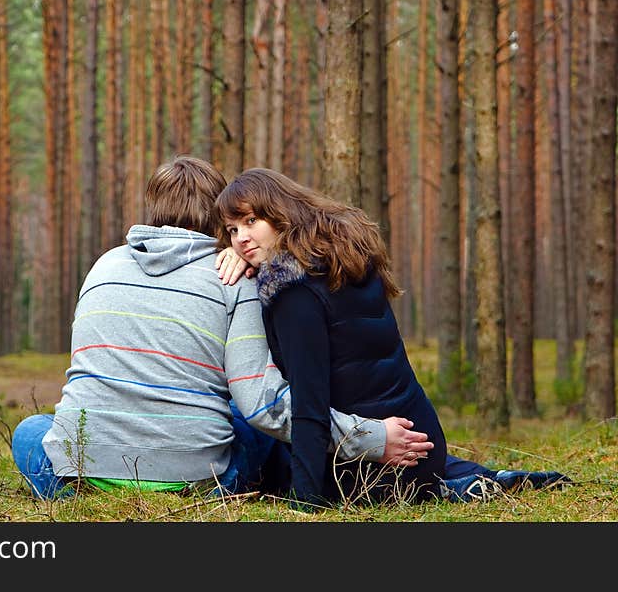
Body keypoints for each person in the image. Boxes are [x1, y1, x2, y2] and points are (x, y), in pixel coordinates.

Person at [10, 157, 435, 500]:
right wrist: (372, 436)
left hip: (82, 469)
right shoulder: (234, 280)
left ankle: (77, 491)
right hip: (201, 483)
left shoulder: (104, 265)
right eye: (233, 228)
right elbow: (263, 406)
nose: (240, 237)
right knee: (240, 417)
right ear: (218, 216)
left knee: (31, 431)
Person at [215, 168, 570, 508]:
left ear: (281, 212)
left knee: (258, 440)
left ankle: (450, 488)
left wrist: (304, 501)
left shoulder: (294, 293)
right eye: (231, 230)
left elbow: (310, 406)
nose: (241, 238)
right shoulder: (344, 257)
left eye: (251, 221)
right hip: (423, 441)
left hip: (373, 468)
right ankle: (478, 478)